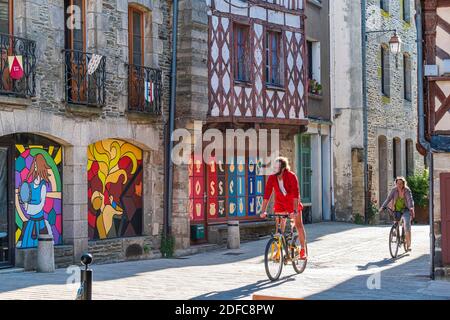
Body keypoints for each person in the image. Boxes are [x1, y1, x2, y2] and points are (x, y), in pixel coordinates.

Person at [260, 157, 307, 259]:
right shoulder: (272, 178)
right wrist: (263, 210)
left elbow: (296, 194)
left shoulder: (291, 176)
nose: (274, 169)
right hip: (280, 203)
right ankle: (278, 251)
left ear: (283, 168)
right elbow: (267, 195)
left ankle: (303, 250)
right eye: (274, 166)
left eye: (277, 167)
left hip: (292, 203)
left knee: (299, 225)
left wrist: (294, 210)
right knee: (279, 228)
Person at [379, 176, 415, 251]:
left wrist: (411, 208)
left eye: (401, 183)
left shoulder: (407, 190)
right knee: (396, 222)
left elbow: (409, 199)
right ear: (396, 184)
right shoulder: (394, 190)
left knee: (407, 226)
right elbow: (388, 199)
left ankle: (408, 245)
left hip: (406, 209)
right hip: (397, 209)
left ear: (403, 184)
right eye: (398, 183)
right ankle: (395, 231)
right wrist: (382, 207)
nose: (399, 185)